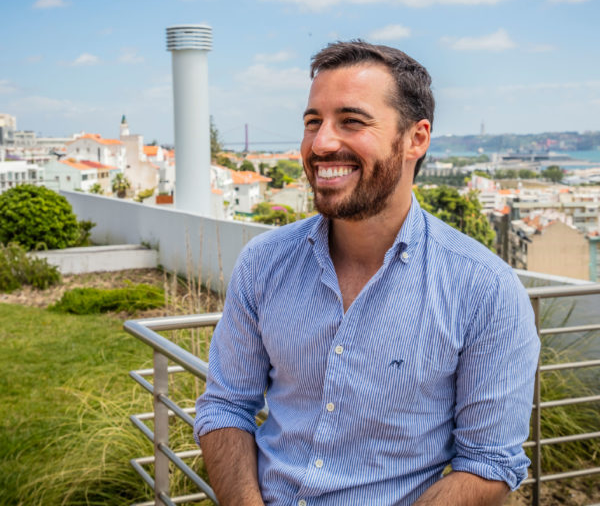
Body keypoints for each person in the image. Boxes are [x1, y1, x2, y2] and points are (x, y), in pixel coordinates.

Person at [194, 40, 540, 506]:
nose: (321, 144)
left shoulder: (485, 290)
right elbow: (225, 406)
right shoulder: (263, 262)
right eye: (312, 122)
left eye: (351, 121)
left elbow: (489, 462)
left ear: (416, 139)